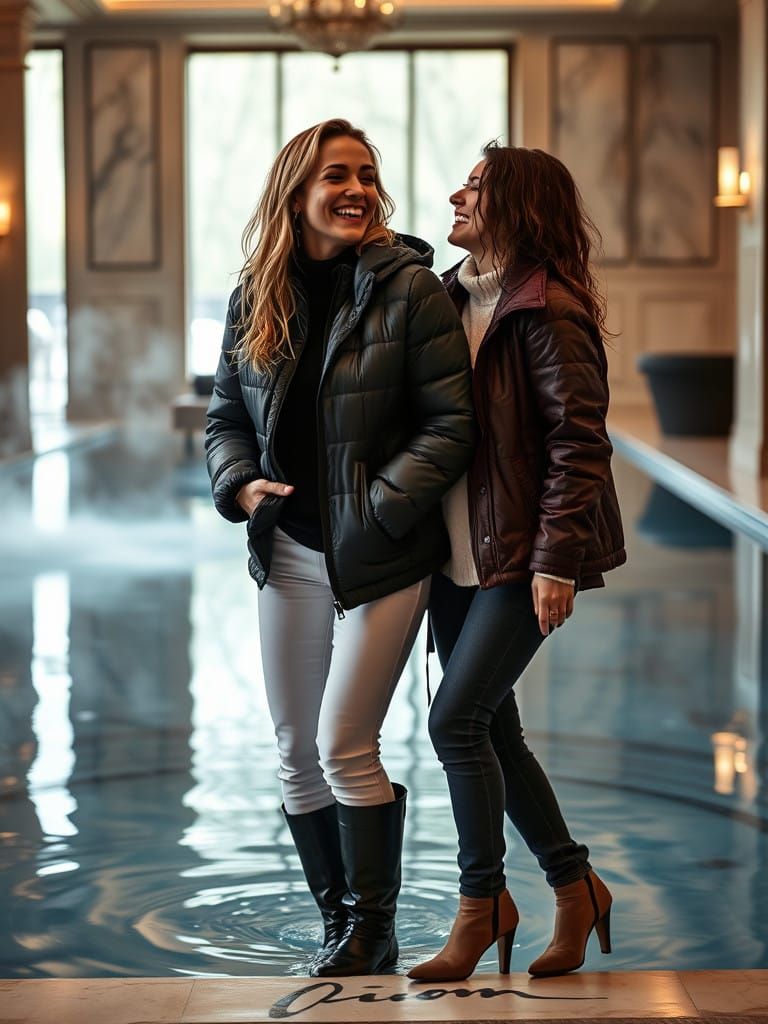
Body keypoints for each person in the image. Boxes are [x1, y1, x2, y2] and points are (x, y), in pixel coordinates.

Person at [205, 119, 475, 977]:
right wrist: (243, 486)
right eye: (336, 175)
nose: (356, 188)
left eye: (365, 174)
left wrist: (379, 507)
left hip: (384, 555)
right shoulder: (256, 295)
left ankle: (374, 928)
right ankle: (342, 927)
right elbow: (224, 417)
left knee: (343, 742)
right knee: (295, 751)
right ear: (297, 194)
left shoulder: (410, 289)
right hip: (286, 553)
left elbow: (451, 423)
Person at [407, 144, 626, 983]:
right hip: (456, 554)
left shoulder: (548, 309)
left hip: (521, 557)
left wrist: (556, 563)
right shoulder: (446, 296)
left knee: (454, 722)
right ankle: (577, 888)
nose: (455, 195)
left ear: (519, 207)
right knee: (494, 726)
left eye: (477, 186)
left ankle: (482, 904)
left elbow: (580, 443)